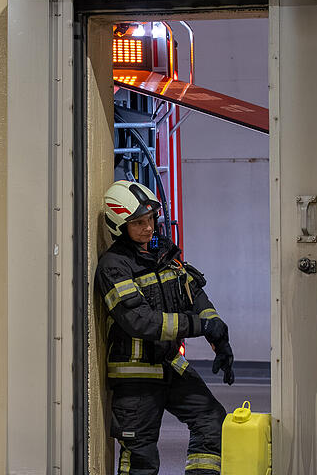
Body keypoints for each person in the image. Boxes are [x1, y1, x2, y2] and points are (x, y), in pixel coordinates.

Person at [95, 180, 235, 475]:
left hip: (169, 364)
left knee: (211, 421)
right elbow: (139, 320)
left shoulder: (162, 254)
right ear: (119, 225)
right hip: (136, 377)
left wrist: (217, 330)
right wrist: (200, 325)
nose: (148, 229)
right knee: (142, 460)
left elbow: (193, 293)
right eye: (138, 223)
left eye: (150, 220)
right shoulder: (114, 266)